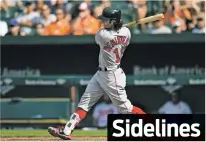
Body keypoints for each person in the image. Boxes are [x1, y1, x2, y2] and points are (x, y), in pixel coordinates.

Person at [48, 7, 146, 140]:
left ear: (113, 21)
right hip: (101, 74)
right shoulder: (127, 32)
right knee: (84, 102)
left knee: (126, 109)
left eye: (106, 20)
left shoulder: (102, 35)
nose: (103, 22)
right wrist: (118, 28)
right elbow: (122, 35)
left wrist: (115, 29)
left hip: (113, 76)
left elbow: (105, 34)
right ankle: (66, 130)